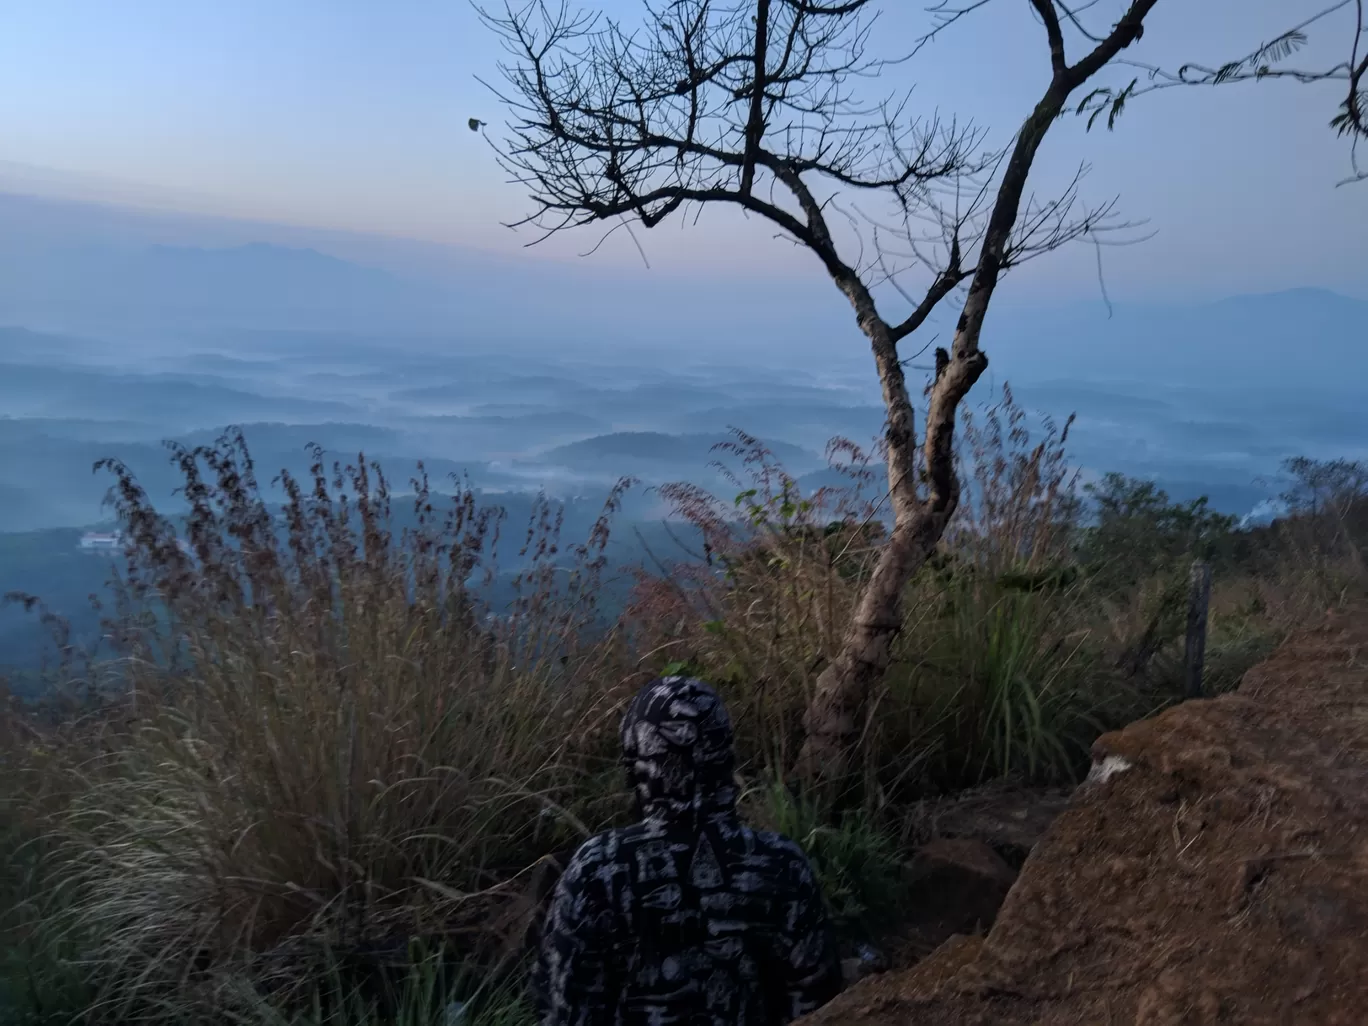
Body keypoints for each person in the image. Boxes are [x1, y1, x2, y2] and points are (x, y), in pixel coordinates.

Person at [532, 676, 843, 1026]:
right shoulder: (784, 865)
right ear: (725, 756)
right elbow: (820, 1004)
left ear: (637, 765)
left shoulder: (597, 868)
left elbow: (562, 1010)